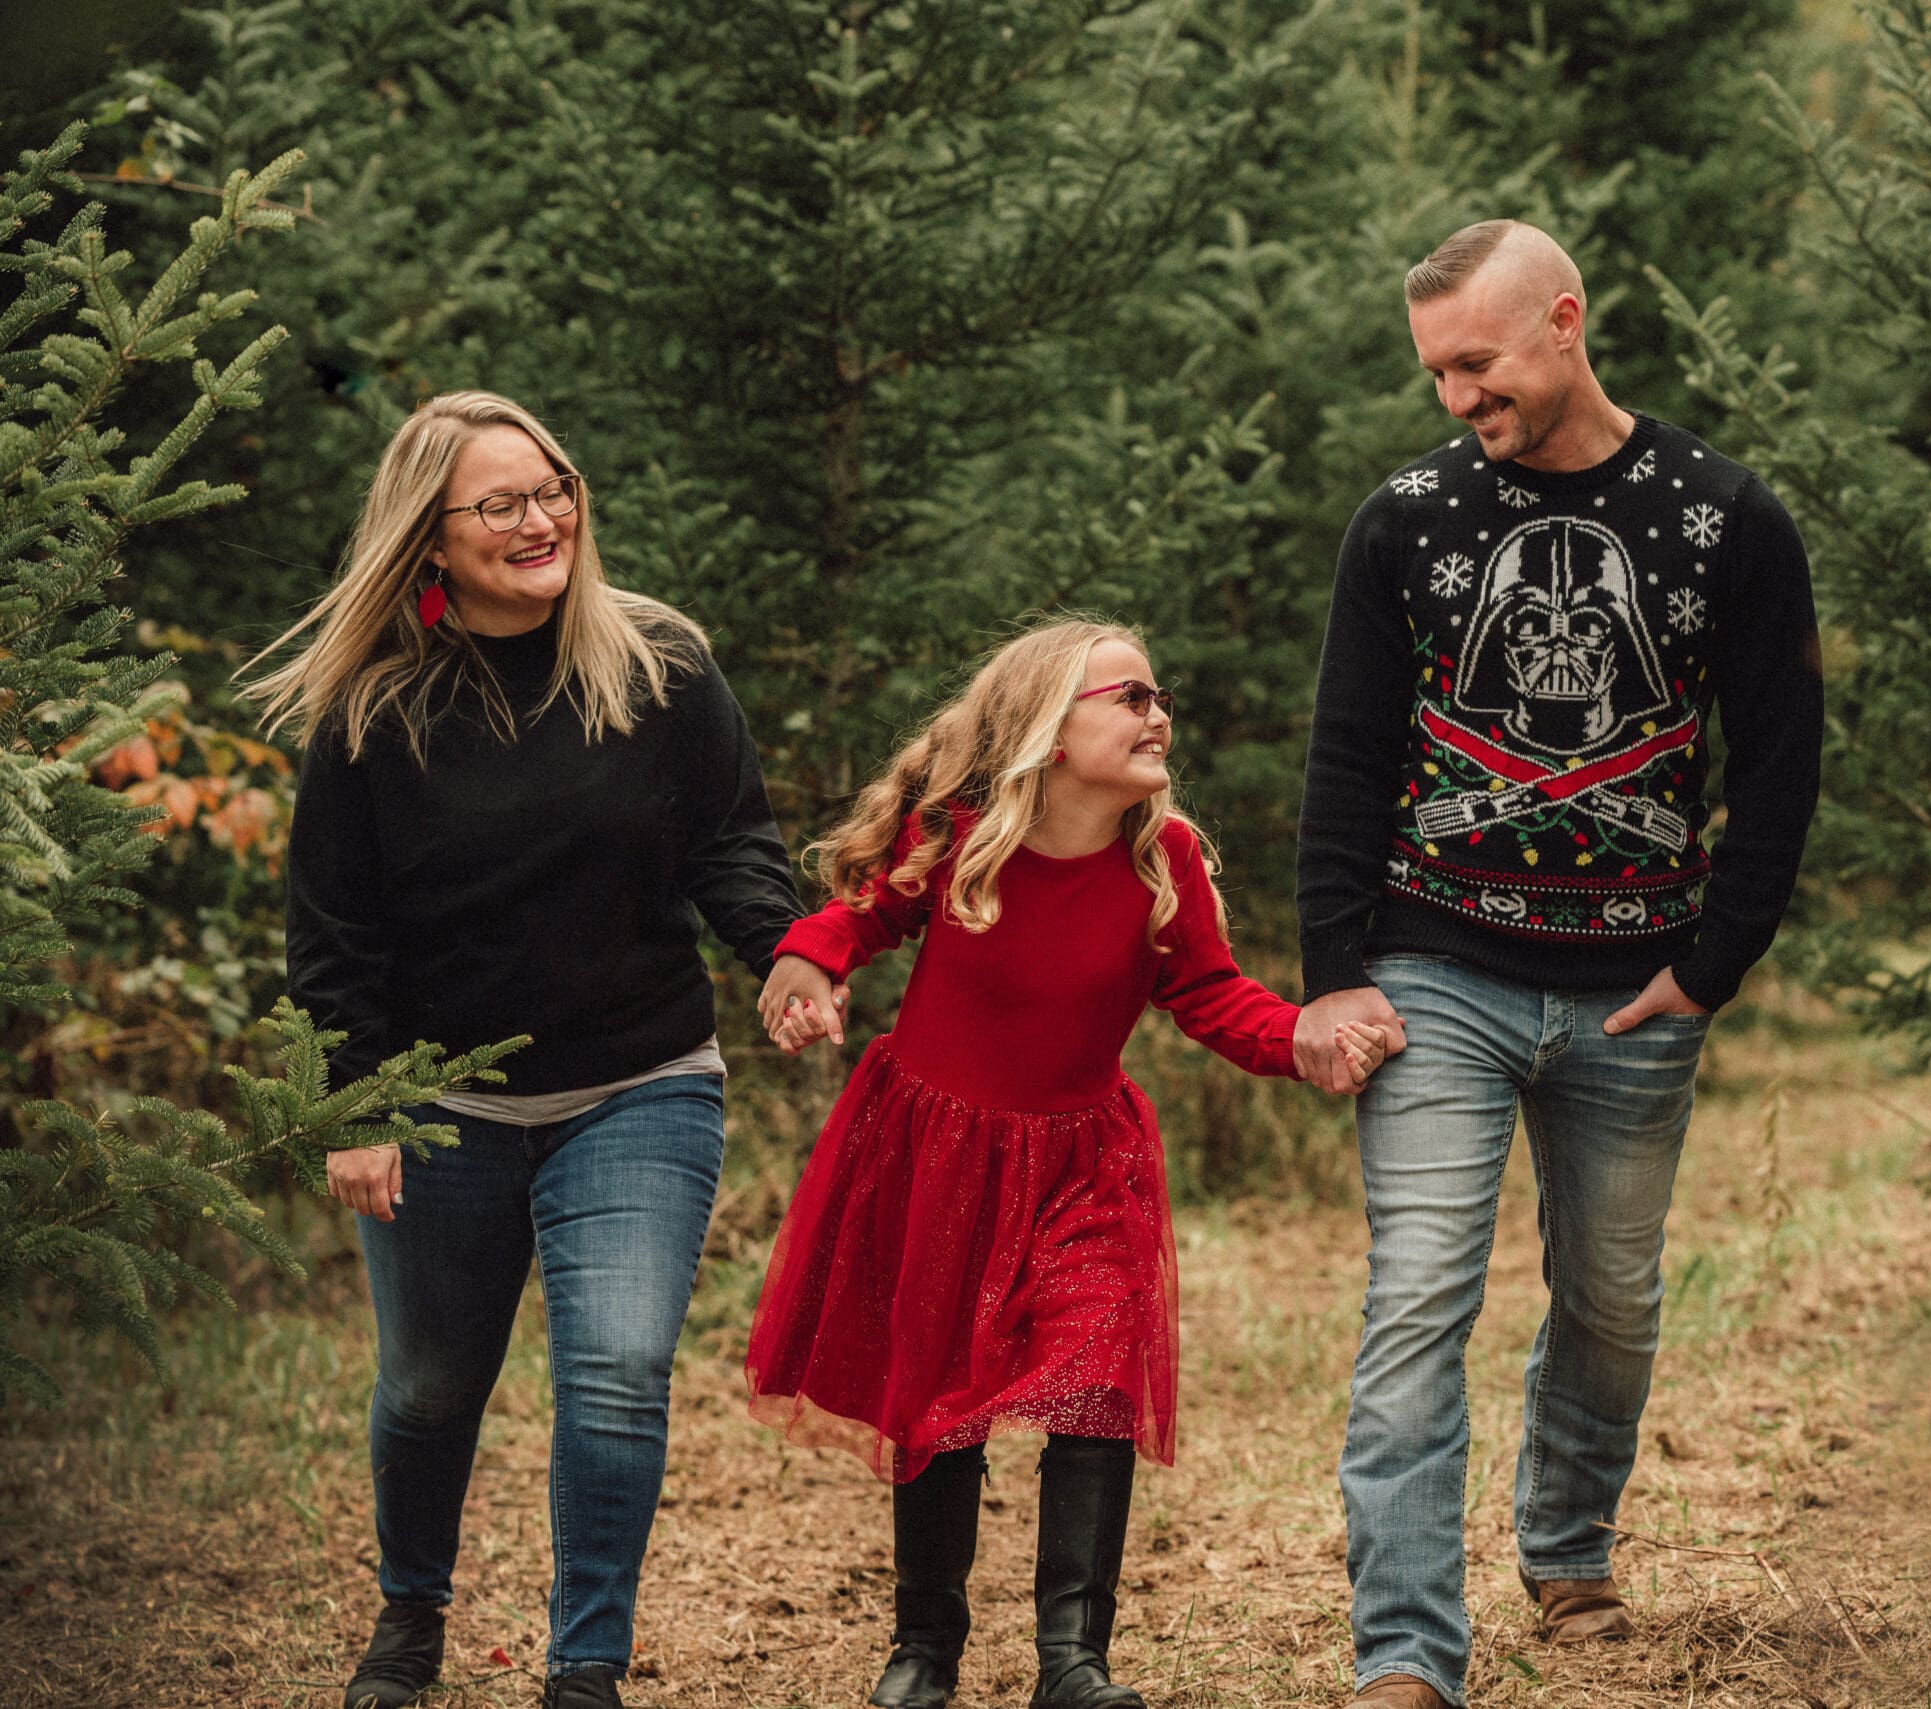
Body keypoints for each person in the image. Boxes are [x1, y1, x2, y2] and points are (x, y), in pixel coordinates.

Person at [1293, 220, 1824, 1708]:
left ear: (1565, 323)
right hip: (1432, 973)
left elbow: (1781, 760)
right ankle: (1405, 1651)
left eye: (1477, 362)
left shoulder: (1725, 518)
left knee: (1611, 1294)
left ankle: (1569, 1541)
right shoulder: (1404, 519)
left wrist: (1715, 964)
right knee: (1419, 1299)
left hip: (1634, 988)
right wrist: (1336, 968)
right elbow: (1345, 757)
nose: (1457, 396)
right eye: (1436, 373)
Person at [244, 391, 804, 1709]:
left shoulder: (659, 663)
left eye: (553, 486)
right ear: (430, 539)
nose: (543, 517)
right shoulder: (373, 709)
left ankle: (586, 1665)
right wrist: (355, 1103)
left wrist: (784, 953)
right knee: (433, 1384)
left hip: (640, 1084)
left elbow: (733, 843)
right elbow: (332, 929)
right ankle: (411, 1609)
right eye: (501, 503)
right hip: (441, 1110)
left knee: (614, 1369)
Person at [746, 618, 1390, 1709]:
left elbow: (1208, 991)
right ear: (1047, 728)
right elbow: (861, 910)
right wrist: (808, 962)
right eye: (1127, 696)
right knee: (940, 1399)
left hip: (1086, 1161)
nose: (1157, 712)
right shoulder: (959, 831)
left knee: (1097, 1382)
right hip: (939, 1148)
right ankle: (925, 1646)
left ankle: (1071, 1659)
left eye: (1158, 694)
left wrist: (1298, 1037)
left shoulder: (1161, 854)